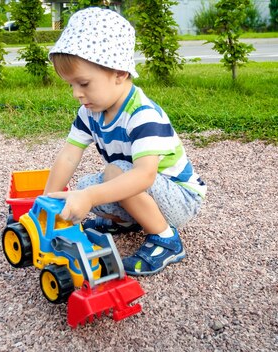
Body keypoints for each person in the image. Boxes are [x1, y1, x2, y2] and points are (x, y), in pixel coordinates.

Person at [44, 7, 206, 276]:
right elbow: (69, 155)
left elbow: (144, 176)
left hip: (180, 198)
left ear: (119, 72)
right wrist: (47, 200)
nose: (76, 93)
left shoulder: (142, 115)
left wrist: (89, 197)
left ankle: (166, 239)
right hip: (142, 187)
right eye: (70, 85)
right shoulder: (90, 111)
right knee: (84, 186)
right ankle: (131, 221)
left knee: (111, 174)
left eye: (83, 83)